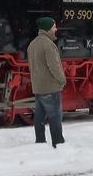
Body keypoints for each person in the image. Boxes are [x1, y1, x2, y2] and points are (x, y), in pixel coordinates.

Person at [26, 17, 67, 146]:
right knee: (55, 117)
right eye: (54, 27)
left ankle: (40, 141)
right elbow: (54, 66)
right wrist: (62, 80)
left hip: (38, 87)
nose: (56, 29)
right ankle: (58, 142)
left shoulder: (32, 44)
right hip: (50, 87)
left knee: (39, 118)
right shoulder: (49, 45)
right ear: (48, 29)